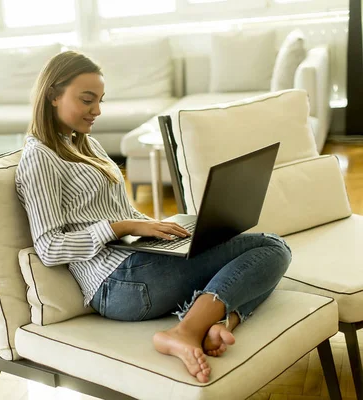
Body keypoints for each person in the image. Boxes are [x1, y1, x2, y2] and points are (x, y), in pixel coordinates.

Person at [15, 51, 292, 383]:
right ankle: (185, 331)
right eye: (87, 99)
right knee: (272, 249)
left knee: (257, 265)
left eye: (100, 100)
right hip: (116, 284)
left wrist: (161, 228)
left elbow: (121, 212)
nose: (97, 110)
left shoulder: (85, 144)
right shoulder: (39, 159)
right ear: (52, 95)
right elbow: (49, 248)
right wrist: (124, 226)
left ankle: (218, 324)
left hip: (136, 263)